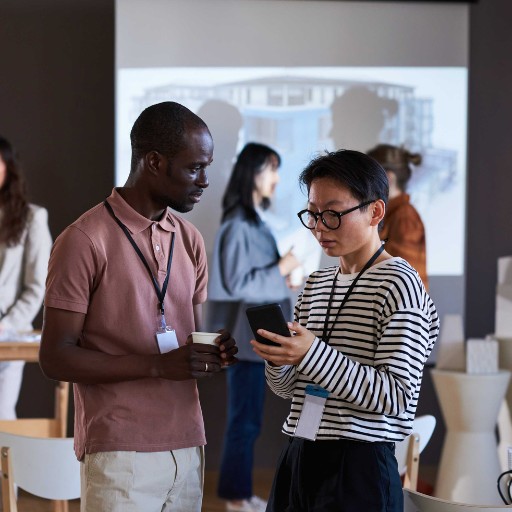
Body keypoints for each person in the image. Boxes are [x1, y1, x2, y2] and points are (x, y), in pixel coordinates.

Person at [39, 101, 238, 512]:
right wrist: (156, 366)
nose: (205, 181)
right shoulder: (83, 239)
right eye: (194, 168)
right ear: (154, 162)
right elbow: (55, 358)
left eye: (207, 167)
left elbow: (187, 344)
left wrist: (211, 354)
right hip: (119, 452)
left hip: (188, 445)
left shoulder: (190, 239)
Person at [251, 149, 439, 512]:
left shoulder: (400, 283)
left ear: (376, 212)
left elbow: (396, 396)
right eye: (313, 214)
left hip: (359, 464)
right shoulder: (316, 283)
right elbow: (287, 389)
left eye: (333, 214)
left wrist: (311, 353)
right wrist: (279, 359)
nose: (319, 227)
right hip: (298, 452)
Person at [208, 142, 301, 512]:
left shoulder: (253, 223)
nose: (276, 178)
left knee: (247, 422)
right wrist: (282, 268)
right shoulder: (237, 224)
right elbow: (238, 283)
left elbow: (253, 280)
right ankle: (236, 498)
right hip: (248, 342)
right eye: (271, 169)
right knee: (243, 423)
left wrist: (282, 279)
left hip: (257, 339)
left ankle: (240, 495)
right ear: (253, 173)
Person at [0, 136, 52, 419]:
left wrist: (6, 326)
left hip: (8, 336)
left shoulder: (32, 217)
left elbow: (37, 286)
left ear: (8, 168)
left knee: (2, 417)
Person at [367, 143, 428, 289]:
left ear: (388, 178)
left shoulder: (404, 217)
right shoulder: (391, 214)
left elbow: (404, 279)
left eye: (369, 177)